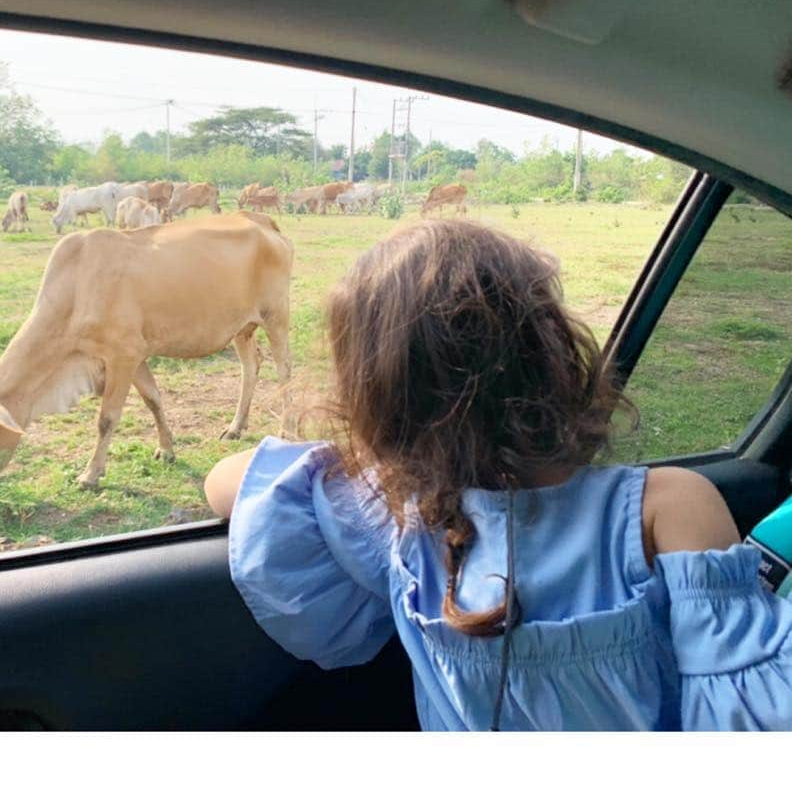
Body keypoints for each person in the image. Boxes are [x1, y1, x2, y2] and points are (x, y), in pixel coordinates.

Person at [205, 219, 792, 731]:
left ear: (375, 400)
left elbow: (230, 483)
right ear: (560, 352)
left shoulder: (398, 517)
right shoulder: (670, 507)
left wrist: (373, 454)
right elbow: (747, 719)